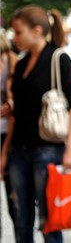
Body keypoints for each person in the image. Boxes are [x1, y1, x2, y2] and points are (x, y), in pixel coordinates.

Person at [7, 5, 71, 242]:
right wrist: (4, 153)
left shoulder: (59, 59)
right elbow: (17, 113)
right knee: (21, 220)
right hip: (19, 151)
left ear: (37, 30)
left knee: (49, 221)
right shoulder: (20, 64)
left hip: (48, 150)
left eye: (19, 32)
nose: (15, 38)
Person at [0, 31, 18, 232]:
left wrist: (11, 104)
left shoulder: (15, 62)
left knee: (15, 197)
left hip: (11, 132)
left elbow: (21, 97)